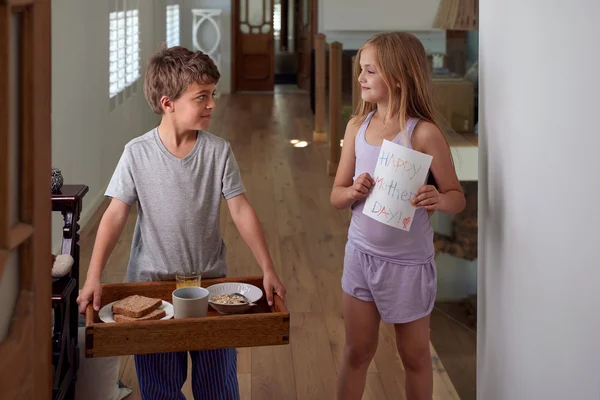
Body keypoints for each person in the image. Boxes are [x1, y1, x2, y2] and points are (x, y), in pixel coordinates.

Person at [76, 45, 286, 400]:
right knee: (160, 390)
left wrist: (267, 267)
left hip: (214, 290)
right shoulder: (136, 153)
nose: (212, 104)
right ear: (167, 103)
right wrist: (93, 276)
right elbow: (114, 214)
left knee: (219, 388)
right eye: (201, 96)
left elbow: (240, 209)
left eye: (212, 95)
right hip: (151, 293)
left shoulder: (218, 150)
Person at [330, 32, 466, 400]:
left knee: (416, 355)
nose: (360, 77)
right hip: (360, 255)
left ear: (400, 76)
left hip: (407, 264)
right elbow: (336, 196)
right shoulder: (356, 127)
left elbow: (457, 198)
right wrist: (353, 191)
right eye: (361, 69)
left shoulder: (423, 134)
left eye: (370, 71)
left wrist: (439, 198)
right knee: (357, 351)